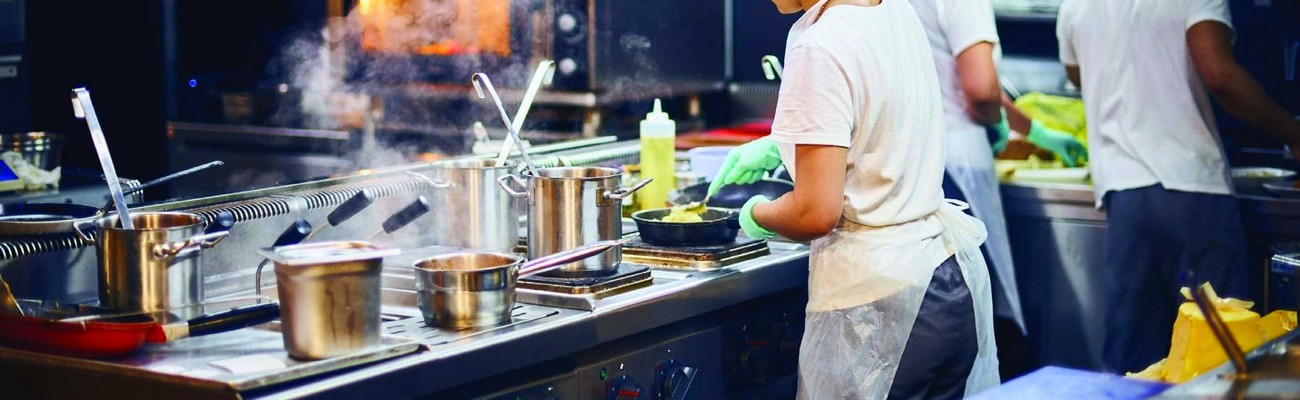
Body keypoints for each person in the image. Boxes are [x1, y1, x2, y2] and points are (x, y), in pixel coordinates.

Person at [708, 0, 999, 397]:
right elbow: (877, 115)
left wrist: (754, 215)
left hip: (884, 311)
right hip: (945, 280)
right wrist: (787, 143)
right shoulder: (895, 9)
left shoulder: (820, 45)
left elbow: (814, 212)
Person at [1057, 0, 1300, 373]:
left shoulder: (1076, 6)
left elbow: (1077, 75)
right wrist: (1292, 132)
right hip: (1192, 191)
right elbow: (1219, 74)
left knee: (1134, 362)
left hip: (1125, 195)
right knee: (1220, 355)